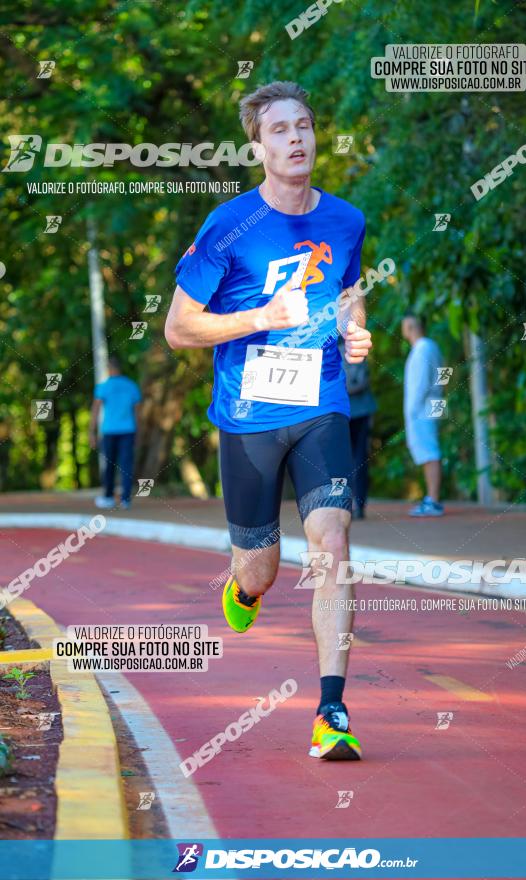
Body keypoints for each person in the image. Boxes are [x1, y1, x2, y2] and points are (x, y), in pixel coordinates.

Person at [165, 81, 372, 761]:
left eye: (304, 126)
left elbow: (348, 289)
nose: (296, 139)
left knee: (333, 544)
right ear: (257, 145)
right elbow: (178, 328)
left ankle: (331, 711)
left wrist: (355, 329)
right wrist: (257, 318)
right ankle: (242, 586)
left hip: (321, 403)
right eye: (279, 129)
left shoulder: (346, 219)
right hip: (249, 413)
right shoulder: (227, 225)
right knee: (261, 569)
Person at [401, 314, 444, 517]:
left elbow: (420, 384)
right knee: (429, 450)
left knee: (429, 451)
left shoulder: (422, 349)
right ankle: (432, 498)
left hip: (422, 408)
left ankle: (433, 499)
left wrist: (412, 411)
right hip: (432, 403)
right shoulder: (431, 346)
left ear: (409, 327)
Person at [90, 355, 142, 510]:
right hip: (128, 430)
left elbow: (95, 410)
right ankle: (126, 500)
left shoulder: (103, 387)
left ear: (109, 369)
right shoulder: (131, 386)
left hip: (109, 431)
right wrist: (138, 432)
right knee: (126, 465)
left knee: (109, 465)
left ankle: (108, 497)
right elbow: (137, 412)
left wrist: (91, 432)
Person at [338, 336, 377, 519]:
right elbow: (361, 381)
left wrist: (341, 388)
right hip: (351, 411)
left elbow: (361, 382)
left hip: (352, 412)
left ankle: (355, 503)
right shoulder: (354, 349)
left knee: (353, 459)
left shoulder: (346, 351)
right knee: (355, 458)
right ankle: (354, 504)